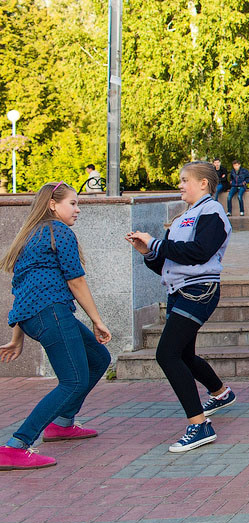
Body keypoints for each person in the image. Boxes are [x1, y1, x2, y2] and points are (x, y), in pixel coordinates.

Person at [126, 161, 236, 452]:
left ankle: (199, 425)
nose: (180, 185)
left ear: (203, 183)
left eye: (185, 180)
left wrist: (156, 244)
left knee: (167, 354)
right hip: (179, 291)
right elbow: (168, 262)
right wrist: (148, 252)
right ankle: (221, 393)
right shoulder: (183, 217)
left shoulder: (212, 212)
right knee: (184, 354)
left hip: (199, 291)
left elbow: (199, 253)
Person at [0, 183, 111, 470]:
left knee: (99, 358)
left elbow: (22, 289)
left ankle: (62, 424)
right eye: (72, 203)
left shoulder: (31, 235)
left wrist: (17, 336)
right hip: (52, 313)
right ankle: (16, 446)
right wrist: (97, 320)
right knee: (73, 381)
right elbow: (76, 280)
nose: (77, 209)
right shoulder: (58, 231)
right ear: (52, 204)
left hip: (35, 316)